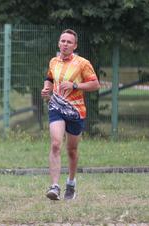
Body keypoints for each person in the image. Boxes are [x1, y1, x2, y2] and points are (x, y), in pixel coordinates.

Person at [41, 29, 100, 200]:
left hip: (76, 110)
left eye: (69, 42)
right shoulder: (54, 61)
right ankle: (54, 186)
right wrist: (47, 89)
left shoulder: (83, 63)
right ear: (59, 43)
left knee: (72, 150)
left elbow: (95, 84)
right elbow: (50, 78)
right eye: (63, 41)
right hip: (56, 106)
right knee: (55, 144)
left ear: (75, 45)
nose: (65, 44)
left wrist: (75, 86)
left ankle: (71, 184)